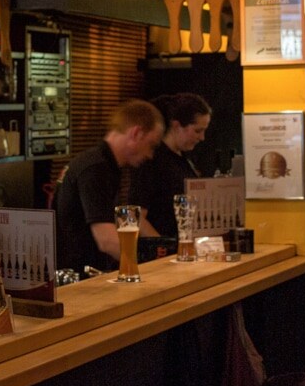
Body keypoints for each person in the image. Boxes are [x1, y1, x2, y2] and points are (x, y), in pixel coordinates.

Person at [54, 100, 165, 276]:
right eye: (151, 145)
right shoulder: (96, 168)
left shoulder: (102, 163)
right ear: (136, 133)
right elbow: (106, 240)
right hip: (79, 280)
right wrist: (153, 272)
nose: (150, 155)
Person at [139, 93, 212, 242]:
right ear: (176, 126)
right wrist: (164, 247)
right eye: (198, 131)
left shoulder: (185, 158)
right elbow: (138, 218)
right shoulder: (153, 161)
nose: (202, 138)